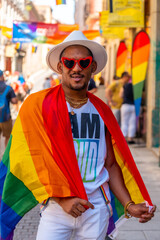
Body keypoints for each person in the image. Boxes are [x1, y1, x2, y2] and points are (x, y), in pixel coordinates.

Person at [0, 31, 156, 240]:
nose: (76, 68)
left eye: (84, 62)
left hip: (96, 208)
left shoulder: (102, 110)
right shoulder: (37, 106)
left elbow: (110, 164)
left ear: (92, 67)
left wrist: (129, 204)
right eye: (69, 62)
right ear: (60, 67)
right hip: (56, 208)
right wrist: (61, 198)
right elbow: (27, 159)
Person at [0, 70, 18, 147]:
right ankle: (5, 156)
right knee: (7, 137)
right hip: (5, 117)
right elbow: (14, 101)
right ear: (2, 76)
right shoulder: (8, 88)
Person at [120, 79, 136, 144]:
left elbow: (120, 95)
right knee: (132, 123)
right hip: (133, 106)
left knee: (124, 123)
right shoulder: (136, 86)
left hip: (125, 105)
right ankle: (130, 139)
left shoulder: (125, 86)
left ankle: (123, 139)